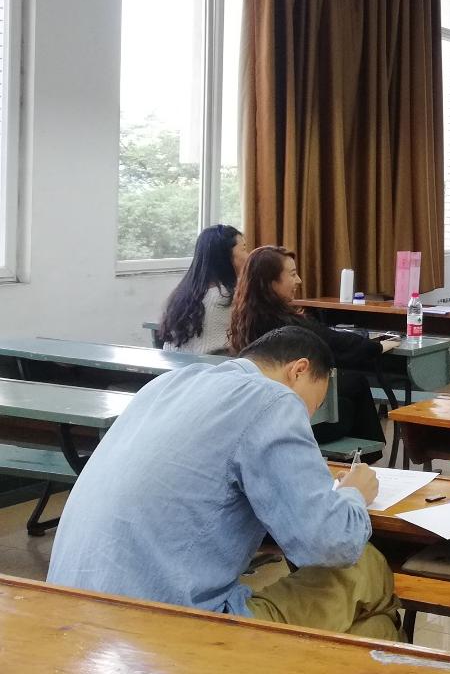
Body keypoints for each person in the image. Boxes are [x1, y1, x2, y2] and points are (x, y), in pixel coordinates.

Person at [48, 326, 401, 640]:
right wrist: (354, 493)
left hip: (66, 612)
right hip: (169, 628)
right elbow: (328, 544)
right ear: (298, 370)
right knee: (367, 570)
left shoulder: (166, 385)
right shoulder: (273, 399)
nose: (308, 418)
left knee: (370, 629)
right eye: (315, 404)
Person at [228, 245, 398, 445]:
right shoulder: (287, 325)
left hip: (259, 409)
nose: (299, 280)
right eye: (292, 274)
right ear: (270, 282)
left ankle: (368, 453)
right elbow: (335, 343)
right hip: (293, 415)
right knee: (353, 387)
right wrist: (378, 346)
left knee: (348, 388)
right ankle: (371, 452)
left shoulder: (243, 317)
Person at [158, 224, 250, 354]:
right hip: (210, 365)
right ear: (225, 256)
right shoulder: (228, 296)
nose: (248, 256)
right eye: (244, 249)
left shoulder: (182, 294)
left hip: (174, 365)